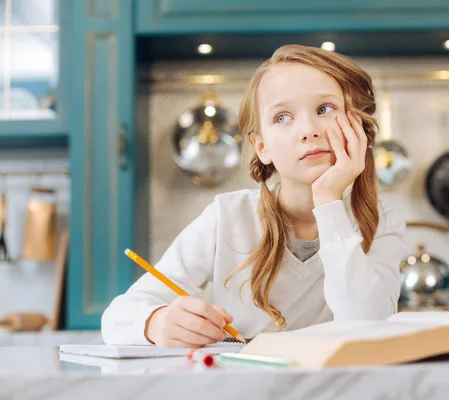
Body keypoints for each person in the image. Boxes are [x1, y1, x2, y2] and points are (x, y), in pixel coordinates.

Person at [101, 44, 406, 348]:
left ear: (357, 126)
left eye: (324, 109)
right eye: (283, 117)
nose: (308, 130)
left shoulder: (382, 220)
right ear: (262, 147)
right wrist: (156, 322)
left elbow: (368, 327)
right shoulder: (228, 216)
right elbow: (117, 317)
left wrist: (328, 200)